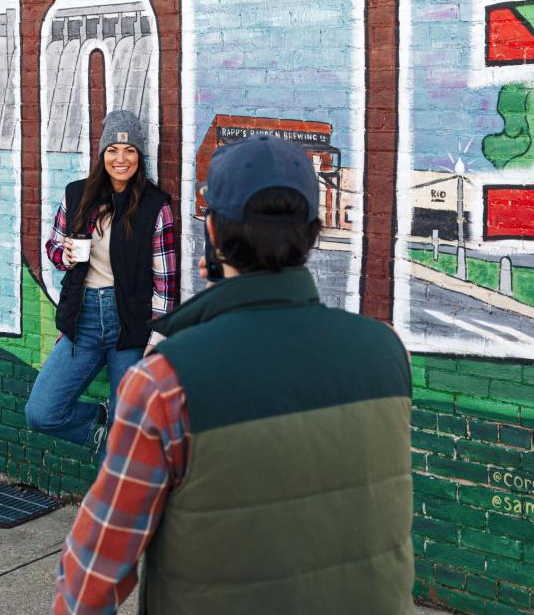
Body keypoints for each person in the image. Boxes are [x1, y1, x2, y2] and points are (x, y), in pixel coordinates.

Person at [54, 132, 415, 615]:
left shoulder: (164, 382)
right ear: (313, 230)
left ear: (214, 232)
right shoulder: (387, 353)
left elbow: (92, 578)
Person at [25, 109, 177, 453]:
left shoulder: (156, 206)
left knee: (126, 438)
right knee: (42, 413)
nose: (120, 159)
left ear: (139, 156)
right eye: (113, 150)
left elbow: (165, 282)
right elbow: (53, 246)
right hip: (84, 323)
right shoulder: (77, 195)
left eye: (129, 151)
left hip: (132, 329)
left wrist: (156, 338)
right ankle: (103, 421)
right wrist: (62, 255)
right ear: (102, 154)